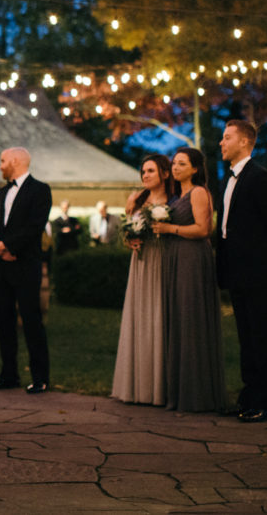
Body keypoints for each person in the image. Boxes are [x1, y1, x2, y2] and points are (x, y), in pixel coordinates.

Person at [216, 120, 267, 423]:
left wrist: (266, 258)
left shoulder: (259, 177)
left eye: (227, 137)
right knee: (246, 338)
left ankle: (263, 404)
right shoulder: (228, 178)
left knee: (263, 339)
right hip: (237, 272)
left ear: (244, 142)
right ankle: (248, 399)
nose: (221, 143)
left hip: (260, 273)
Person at [152, 147, 227, 413]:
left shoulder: (198, 192)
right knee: (178, 318)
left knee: (190, 317)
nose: (175, 167)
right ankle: (179, 391)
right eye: (174, 163)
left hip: (192, 259)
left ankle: (197, 393)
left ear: (195, 169)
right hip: (175, 257)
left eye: (182, 164)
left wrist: (169, 228)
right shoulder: (176, 196)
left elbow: (203, 229)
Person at [0, 147, 53, 393]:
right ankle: (8, 375)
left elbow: (35, 226)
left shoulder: (40, 190)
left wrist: (9, 246)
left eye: (3, 161)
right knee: (4, 321)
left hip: (25, 266)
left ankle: (40, 377)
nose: (0, 165)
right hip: (2, 267)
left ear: (15, 161)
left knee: (31, 321)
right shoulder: (3, 192)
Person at [111, 154, 172, 405]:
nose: (145, 175)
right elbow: (126, 232)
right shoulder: (135, 200)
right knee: (139, 317)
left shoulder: (174, 201)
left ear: (165, 174)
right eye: (143, 171)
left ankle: (160, 386)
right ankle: (137, 385)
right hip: (140, 262)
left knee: (160, 316)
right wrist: (130, 240)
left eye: (151, 171)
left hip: (164, 260)